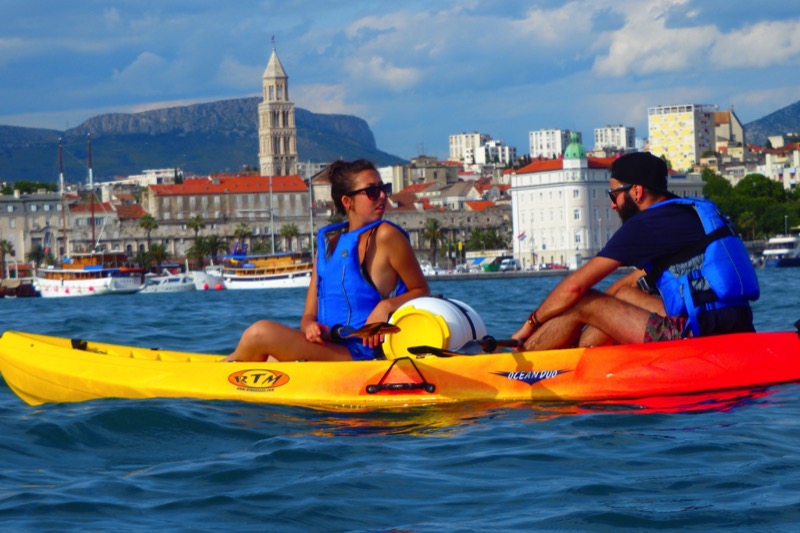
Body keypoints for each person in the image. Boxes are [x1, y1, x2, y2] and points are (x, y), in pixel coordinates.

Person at [512, 151, 759, 350]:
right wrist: (595, 317)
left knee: (583, 301)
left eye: (614, 194)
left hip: (693, 335)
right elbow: (630, 283)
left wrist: (530, 324)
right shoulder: (693, 211)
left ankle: (531, 360)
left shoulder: (646, 224)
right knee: (621, 294)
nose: (612, 204)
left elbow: (574, 287)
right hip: (735, 323)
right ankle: (574, 353)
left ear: (637, 191)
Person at [226, 159, 430, 362]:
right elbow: (308, 316)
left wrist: (385, 307)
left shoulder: (386, 236)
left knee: (260, 333)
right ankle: (229, 365)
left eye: (384, 188)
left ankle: (225, 368)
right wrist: (310, 329)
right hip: (327, 347)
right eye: (372, 191)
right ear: (347, 202)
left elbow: (421, 290)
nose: (383, 196)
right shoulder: (329, 246)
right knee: (266, 352)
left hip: (362, 354)